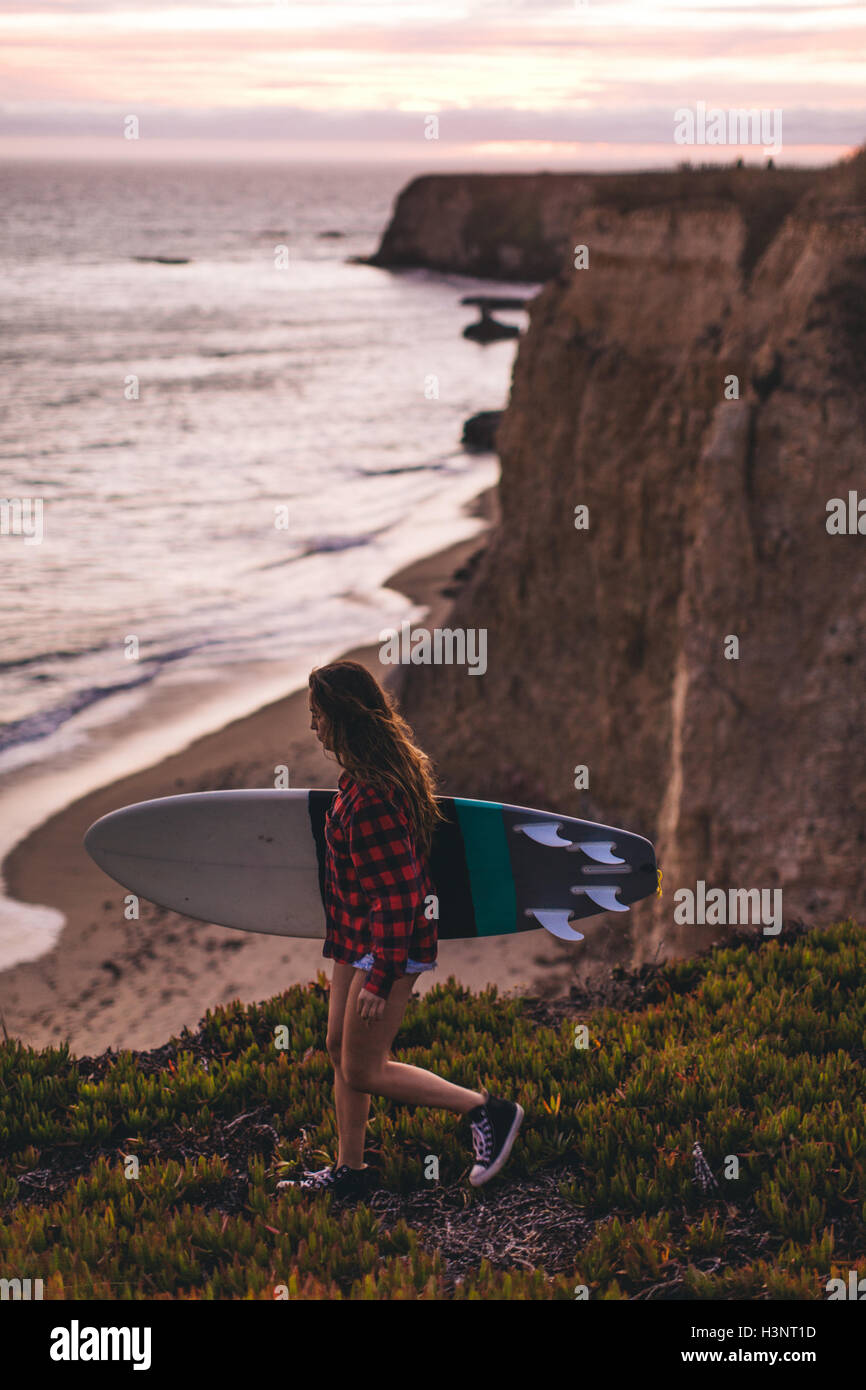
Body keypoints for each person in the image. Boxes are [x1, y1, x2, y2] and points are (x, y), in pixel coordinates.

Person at [280, 659, 523, 1198]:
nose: (312, 727)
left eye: (317, 716)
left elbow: (402, 897)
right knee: (339, 1046)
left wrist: (381, 977)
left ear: (340, 718)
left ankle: (488, 1111)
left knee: (365, 1069)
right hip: (353, 939)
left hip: (383, 947)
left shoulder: (370, 799)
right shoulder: (366, 778)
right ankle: (350, 1171)